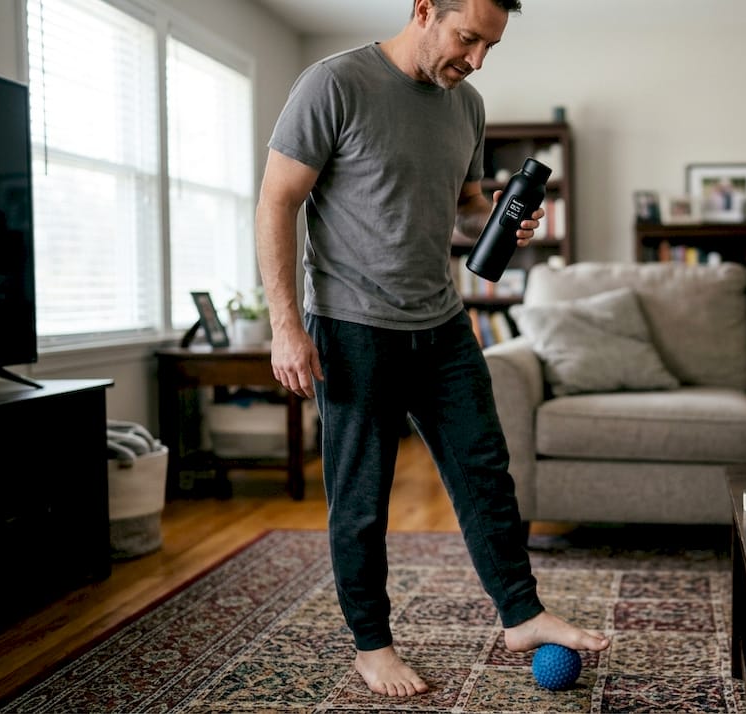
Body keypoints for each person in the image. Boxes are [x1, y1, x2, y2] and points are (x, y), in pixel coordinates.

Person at [254, 0, 610, 698]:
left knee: (485, 473)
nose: (475, 60)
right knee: (361, 497)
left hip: (442, 323)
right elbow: (276, 201)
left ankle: (522, 614)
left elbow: (466, 202)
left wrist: (501, 217)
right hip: (353, 326)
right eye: (467, 38)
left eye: (490, 47)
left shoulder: (465, 105)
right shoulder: (333, 84)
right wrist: (285, 325)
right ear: (424, 9)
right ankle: (372, 646)